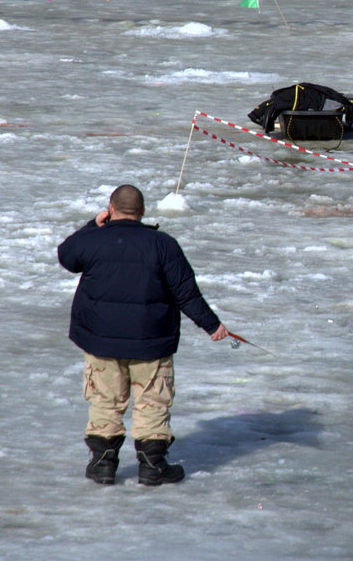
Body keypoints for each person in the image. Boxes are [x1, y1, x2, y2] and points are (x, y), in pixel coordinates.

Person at [57, 184, 229, 486]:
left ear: (110, 209)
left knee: (105, 401)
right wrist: (212, 325)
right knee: (152, 402)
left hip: (101, 340)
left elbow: (67, 256)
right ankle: (152, 465)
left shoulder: (94, 239)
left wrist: (90, 226)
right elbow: (186, 293)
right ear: (143, 212)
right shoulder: (163, 244)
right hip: (150, 341)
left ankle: (102, 465)